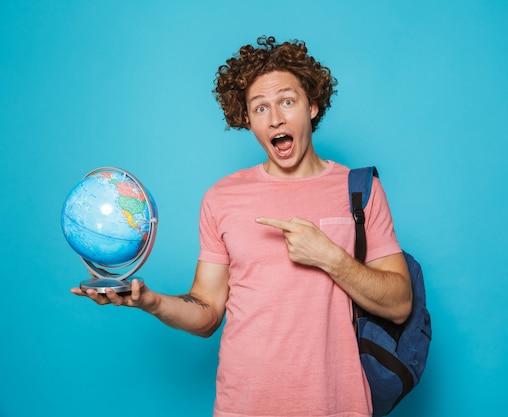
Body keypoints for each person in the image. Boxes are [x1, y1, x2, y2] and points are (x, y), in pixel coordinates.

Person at [71, 35, 412, 417]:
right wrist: (150, 302)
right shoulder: (222, 197)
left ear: (312, 105)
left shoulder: (359, 190)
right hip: (246, 406)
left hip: (337, 405)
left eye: (287, 101)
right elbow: (207, 312)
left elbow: (399, 305)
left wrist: (330, 257)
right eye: (260, 108)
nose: (276, 118)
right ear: (247, 119)